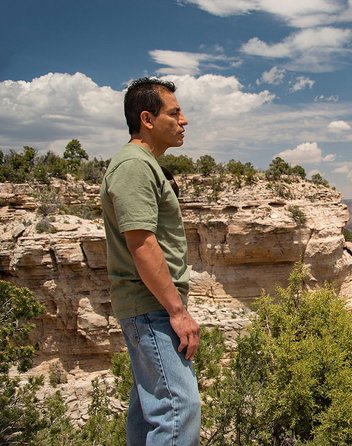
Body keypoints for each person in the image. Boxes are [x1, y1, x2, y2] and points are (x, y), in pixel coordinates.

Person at [101, 77, 201, 445]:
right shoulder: (134, 166)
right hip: (152, 308)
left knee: (148, 414)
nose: (184, 120)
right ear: (147, 118)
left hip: (150, 306)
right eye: (174, 113)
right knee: (179, 411)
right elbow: (141, 243)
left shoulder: (146, 165)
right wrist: (177, 311)